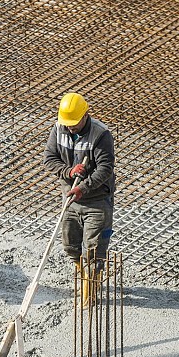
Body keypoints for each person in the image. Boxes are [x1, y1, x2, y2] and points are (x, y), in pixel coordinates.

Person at [43, 92, 115, 286]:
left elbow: (105, 169)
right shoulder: (59, 128)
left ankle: (91, 284)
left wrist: (83, 188)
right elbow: (49, 159)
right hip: (70, 199)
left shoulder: (101, 134)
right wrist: (69, 171)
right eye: (68, 122)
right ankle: (83, 275)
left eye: (74, 122)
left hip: (97, 201)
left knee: (94, 250)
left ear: (85, 115)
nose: (70, 126)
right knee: (70, 246)